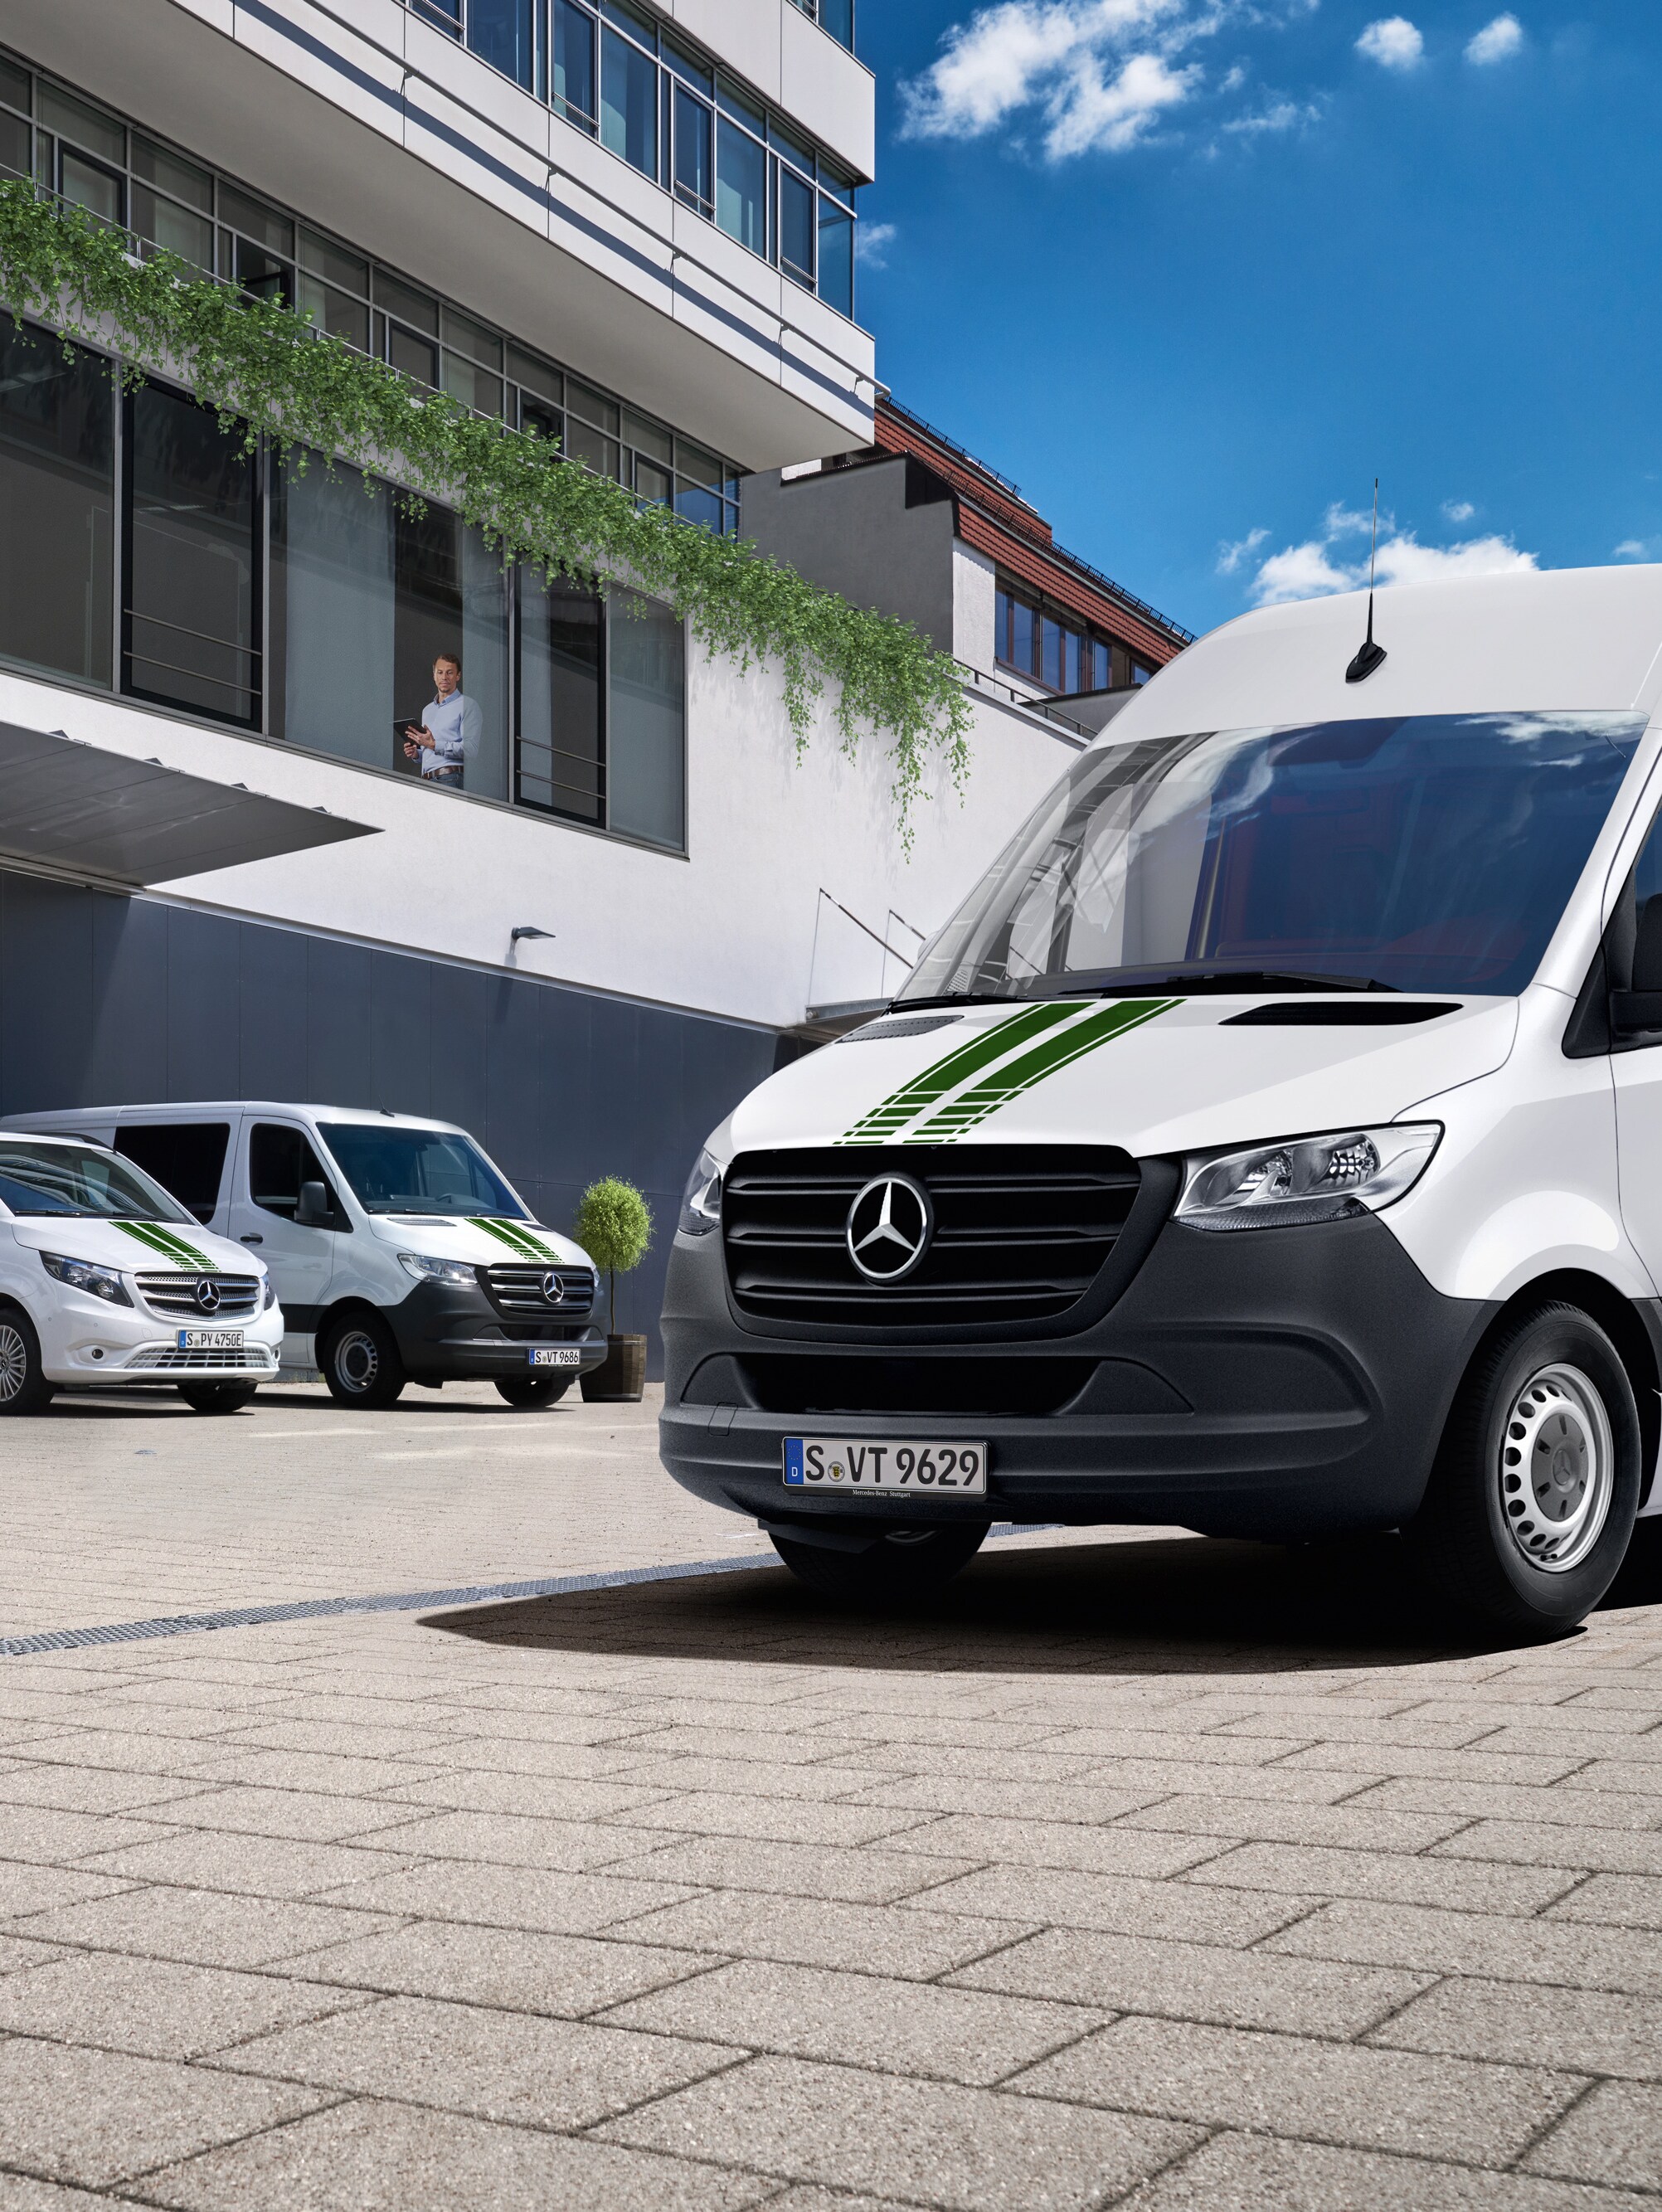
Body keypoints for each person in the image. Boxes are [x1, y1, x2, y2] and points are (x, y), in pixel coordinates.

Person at [403, 652, 480, 789]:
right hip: (426, 780)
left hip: (450, 778)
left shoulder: (467, 705)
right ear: (434, 676)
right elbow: (431, 749)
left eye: (449, 673)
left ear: (458, 676)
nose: (444, 677)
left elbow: (471, 750)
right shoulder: (427, 710)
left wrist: (433, 744)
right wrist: (416, 754)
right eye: (440, 672)